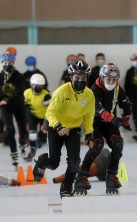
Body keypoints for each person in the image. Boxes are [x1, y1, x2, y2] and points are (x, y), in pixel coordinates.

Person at [33, 61, 95, 198]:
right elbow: (50, 112)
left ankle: (66, 188)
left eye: (83, 78)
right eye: (77, 78)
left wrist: (89, 134)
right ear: (71, 77)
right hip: (56, 127)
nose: (80, 81)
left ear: (87, 78)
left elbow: (89, 117)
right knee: (54, 164)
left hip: (73, 129)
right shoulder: (61, 91)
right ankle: (43, 162)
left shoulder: (89, 95)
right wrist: (58, 126)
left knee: (74, 163)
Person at [75, 63, 132, 195]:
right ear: (101, 77)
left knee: (118, 144)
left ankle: (111, 175)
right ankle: (82, 176)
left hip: (109, 122)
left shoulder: (118, 89)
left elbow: (126, 105)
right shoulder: (94, 89)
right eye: (108, 79)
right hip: (93, 121)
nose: (111, 82)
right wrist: (112, 118)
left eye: (114, 79)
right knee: (97, 145)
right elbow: (97, 109)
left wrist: (126, 120)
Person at [24, 73, 51, 161]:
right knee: (32, 134)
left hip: (44, 116)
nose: (38, 87)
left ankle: (40, 141)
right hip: (33, 115)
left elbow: (49, 111)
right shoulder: (27, 93)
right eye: (36, 85)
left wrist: (45, 124)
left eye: (40, 86)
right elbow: (25, 106)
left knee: (43, 135)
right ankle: (32, 150)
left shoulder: (46, 95)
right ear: (31, 85)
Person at [0, 46, 18, 145]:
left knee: (9, 115)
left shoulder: (12, 67)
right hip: (2, 94)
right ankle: (2, 133)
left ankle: (7, 136)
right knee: (3, 114)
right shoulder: (0, 66)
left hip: (10, 94)